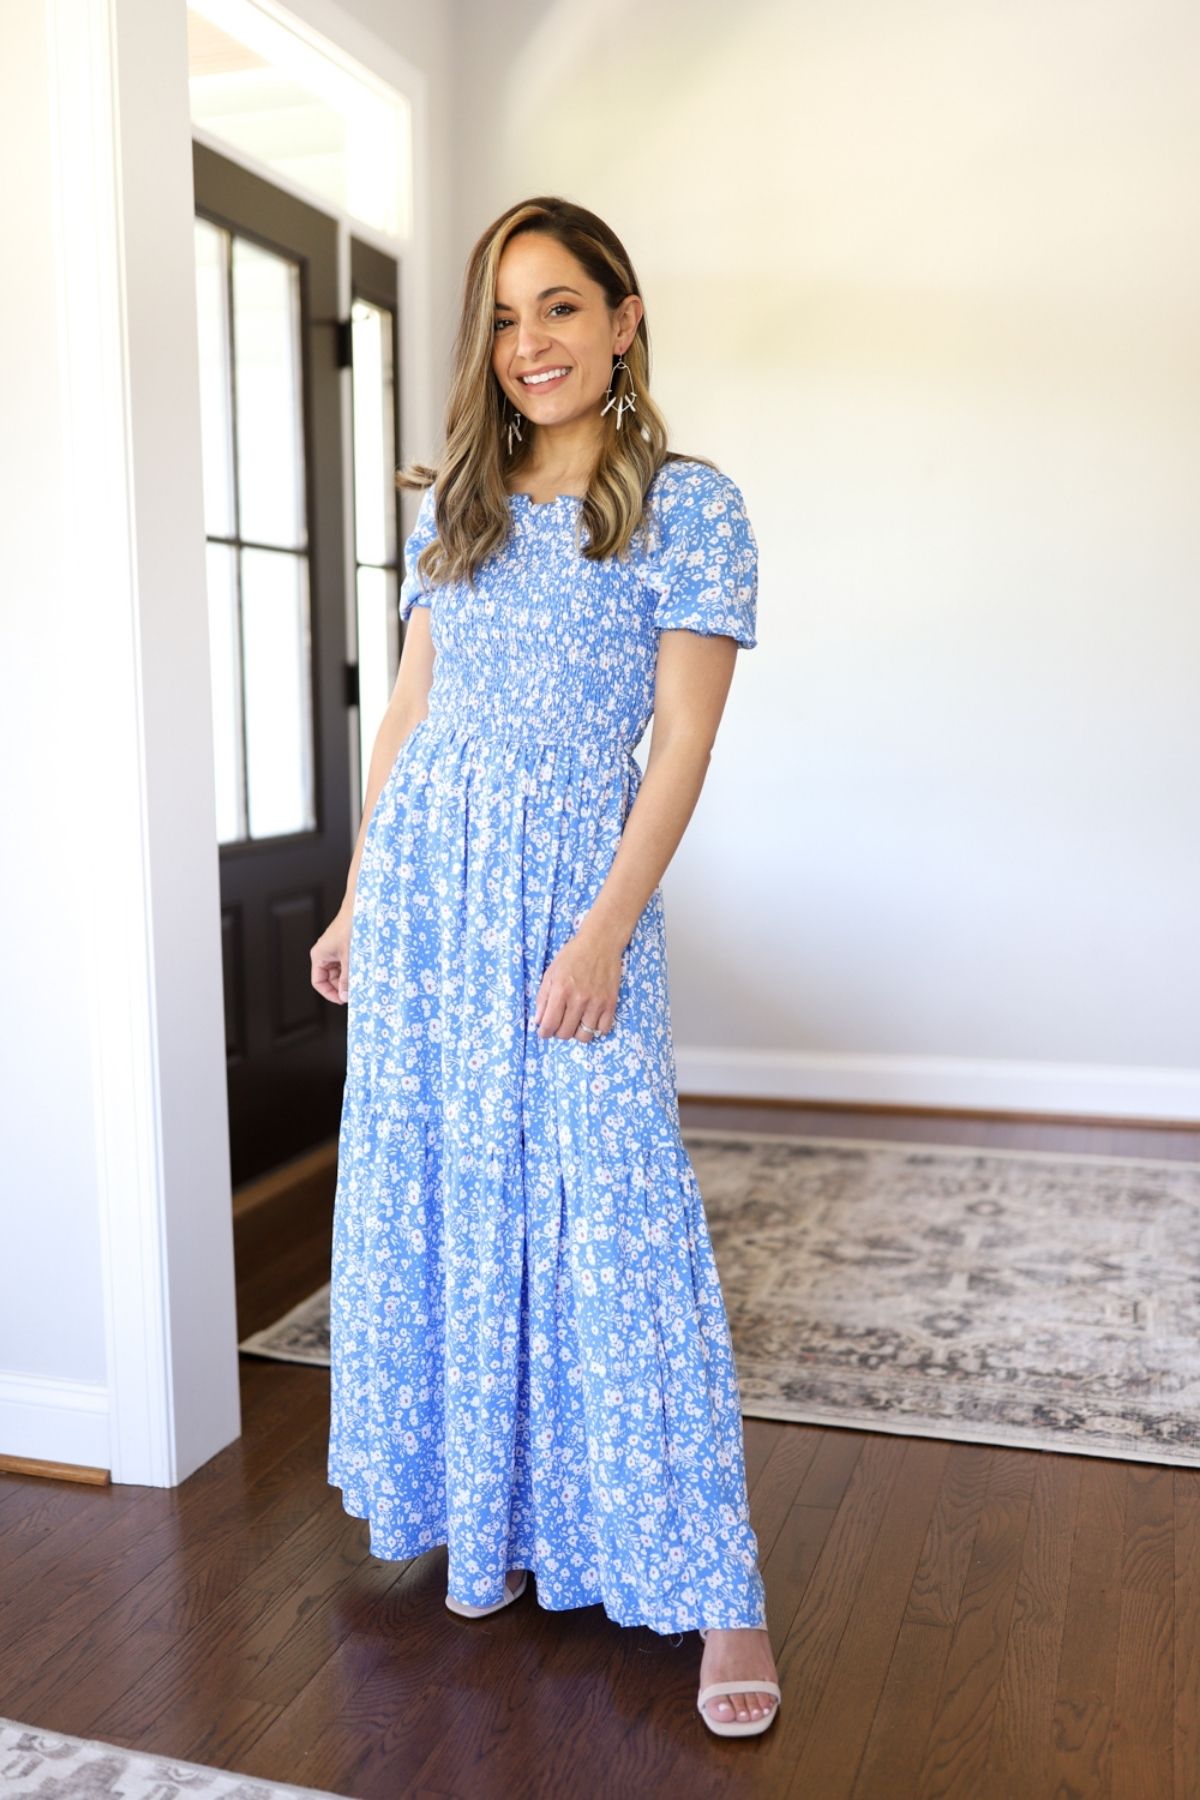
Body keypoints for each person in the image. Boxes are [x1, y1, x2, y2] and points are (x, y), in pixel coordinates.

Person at [312, 196, 780, 1740]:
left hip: (574, 899)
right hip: (430, 898)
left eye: (563, 308)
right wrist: (357, 898)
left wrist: (601, 930)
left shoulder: (687, 507)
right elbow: (408, 722)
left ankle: (720, 1590)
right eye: (507, 318)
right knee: (456, 1192)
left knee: (619, 1224)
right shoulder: (452, 504)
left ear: (625, 318)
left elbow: (684, 745)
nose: (532, 345)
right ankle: (501, 1524)